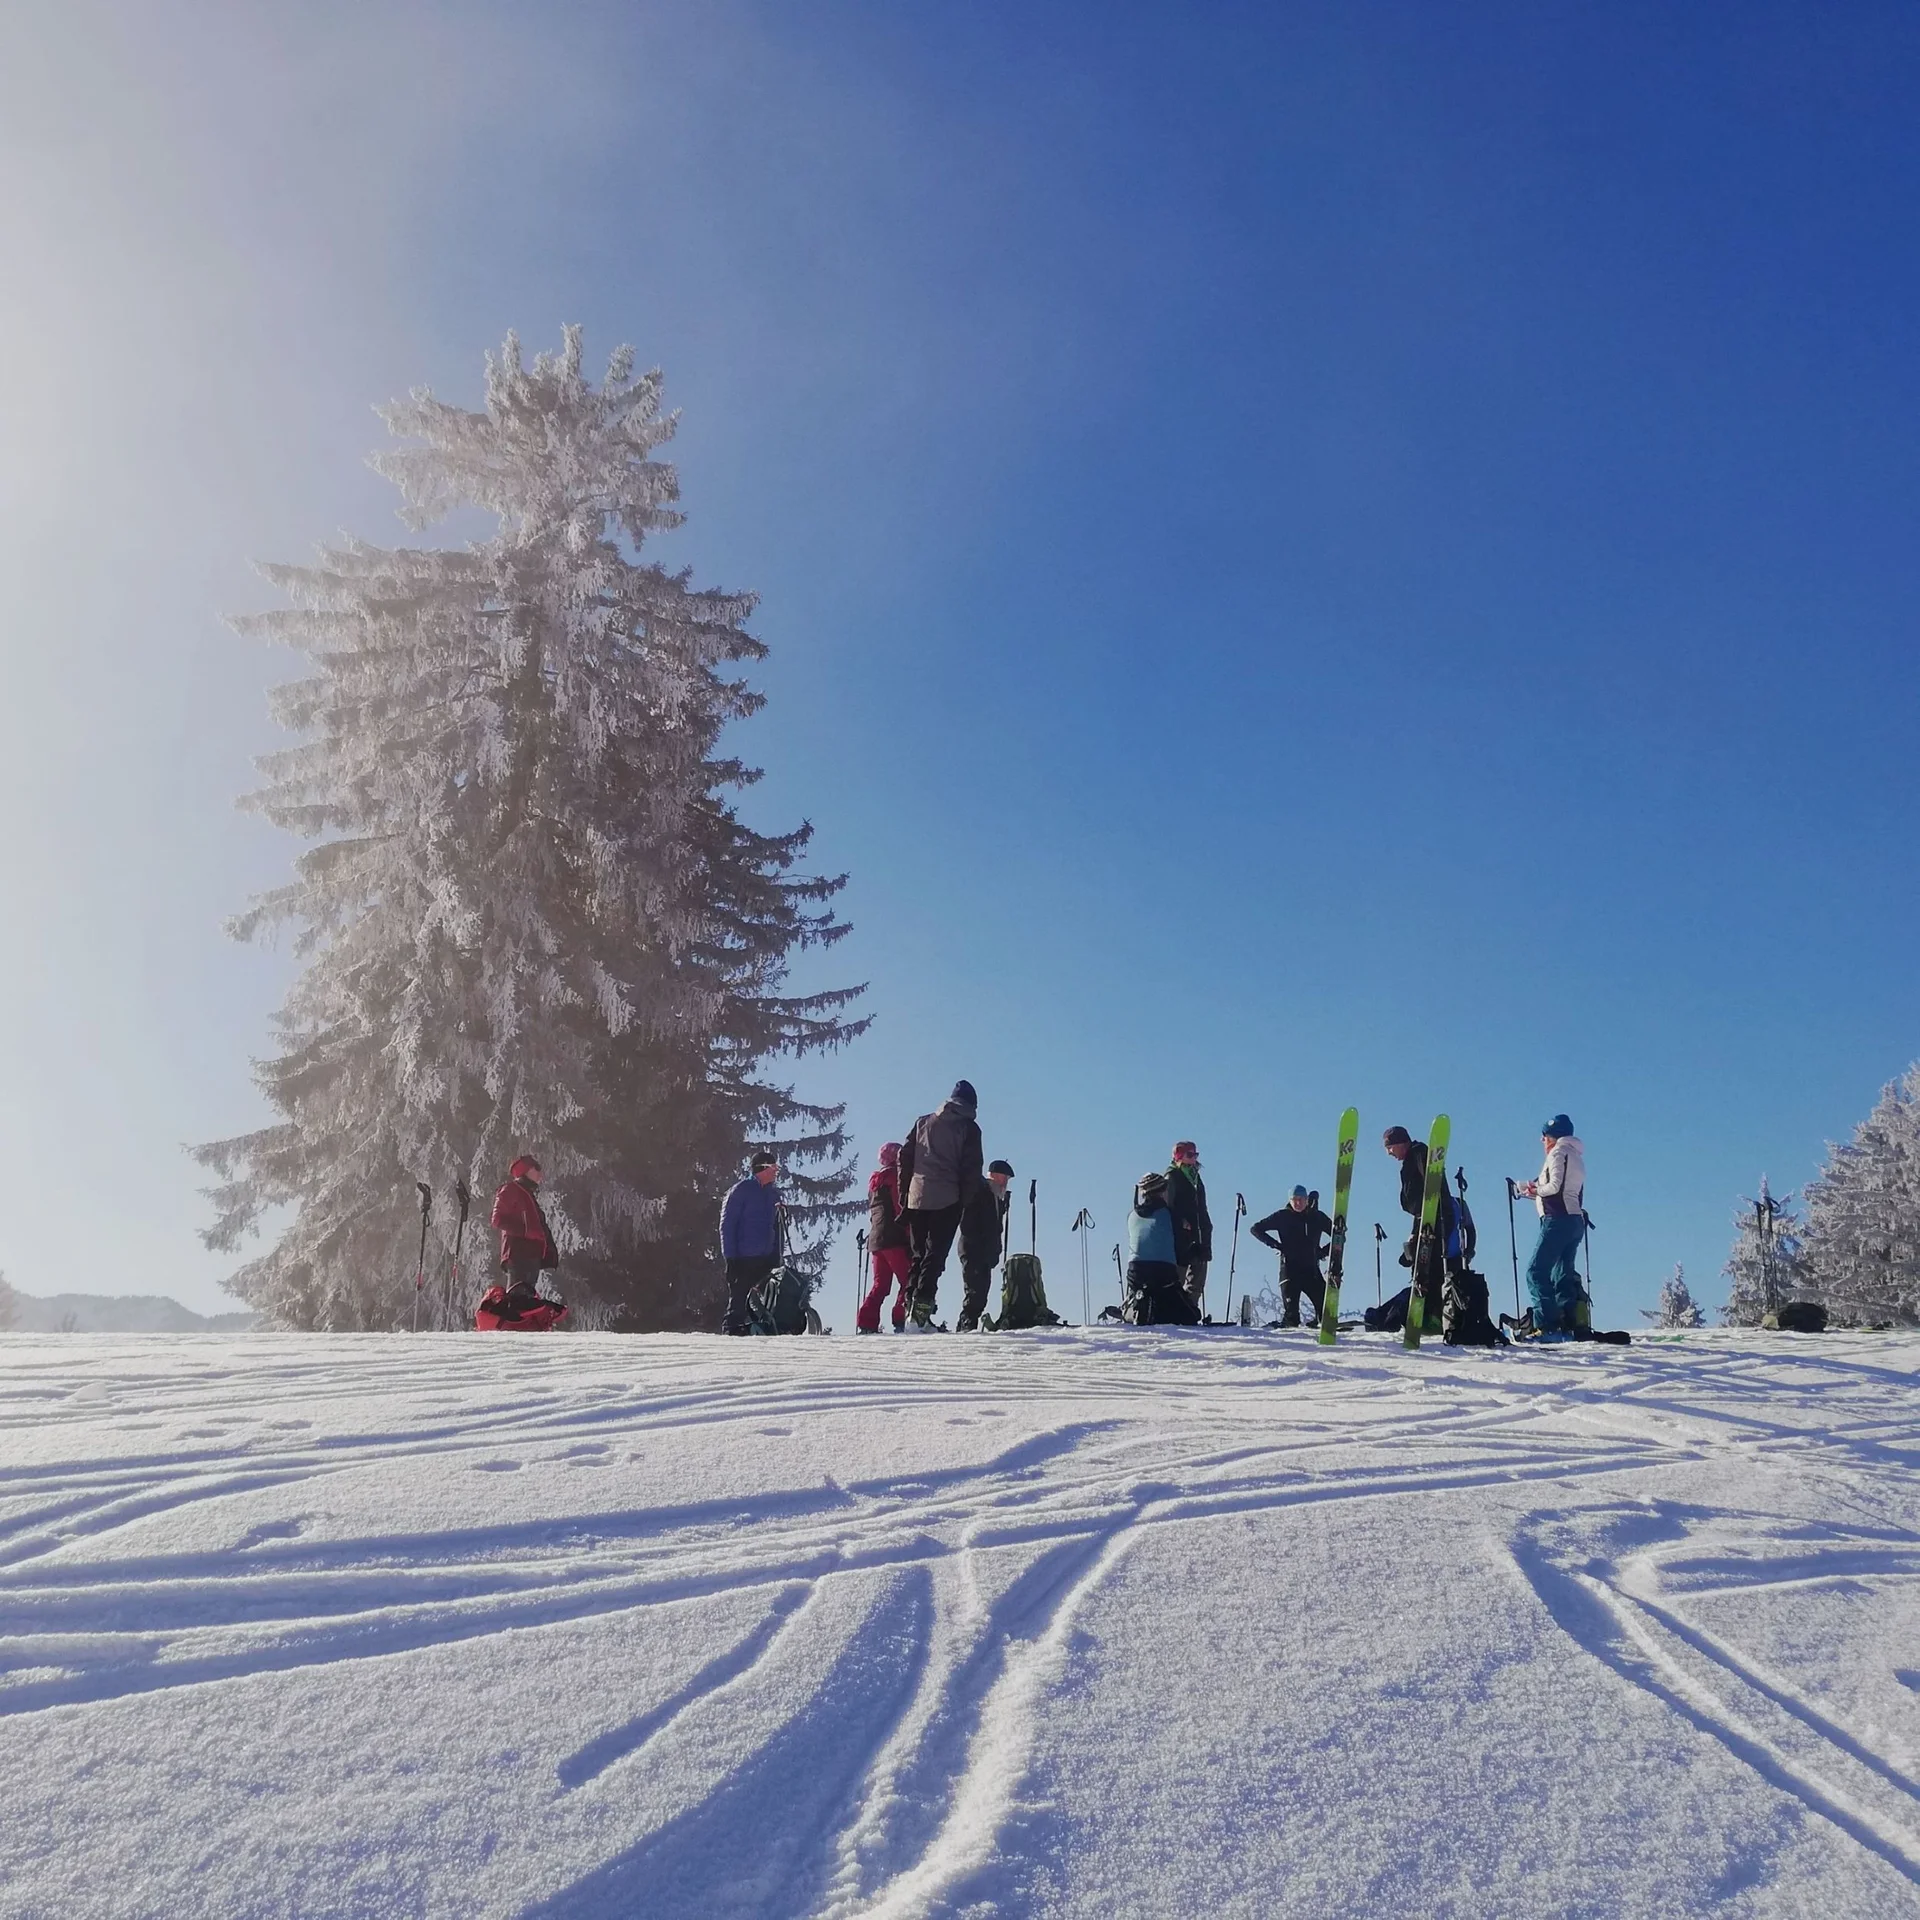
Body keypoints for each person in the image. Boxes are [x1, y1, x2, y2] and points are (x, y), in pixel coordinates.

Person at [896, 1080, 985, 1328]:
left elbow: (904, 1158)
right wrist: (964, 1200)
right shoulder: (969, 1128)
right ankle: (920, 1314)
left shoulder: (922, 1122)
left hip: (917, 1196)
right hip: (947, 1198)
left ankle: (909, 1310)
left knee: (917, 1256)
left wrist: (906, 1193)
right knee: (934, 1257)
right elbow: (971, 1167)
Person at [1516, 1114, 1587, 1336]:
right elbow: (1565, 1189)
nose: (1542, 1141)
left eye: (1544, 1136)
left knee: (1536, 1271)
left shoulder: (1558, 1153)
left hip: (1557, 1220)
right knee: (1562, 1273)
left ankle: (1547, 1325)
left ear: (1553, 1137)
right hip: (1574, 1220)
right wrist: (1531, 1190)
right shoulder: (1575, 1155)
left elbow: (1554, 1187)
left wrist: (1535, 1190)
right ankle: (1568, 1323)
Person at [1381, 1126, 1449, 1325]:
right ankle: (1425, 1315)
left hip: (1435, 1217)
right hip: (1423, 1218)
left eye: (1390, 1147)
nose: (1389, 1153)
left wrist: (1434, 1209)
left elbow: (1432, 1182)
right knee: (1421, 1266)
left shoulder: (1419, 1153)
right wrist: (1414, 1232)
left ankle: (1431, 1316)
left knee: (1430, 1269)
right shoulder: (1412, 1157)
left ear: (1401, 1143)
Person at [1123, 1171, 1200, 1324]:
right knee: (1191, 1315)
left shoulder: (1131, 1216)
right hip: (1163, 1274)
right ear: (1162, 1191)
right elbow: (1181, 1248)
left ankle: (1132, 1310)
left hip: (1135, 1273)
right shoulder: (1171, 1215)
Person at [1251, 1185, 1333, 1326]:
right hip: (1290, 1269)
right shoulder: (1283, 1216)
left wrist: (1322, 1252)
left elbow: (1338, 1236)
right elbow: (1256, 1229)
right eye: (1294, 1200)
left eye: (1301, 1199)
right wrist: (1276, 1245)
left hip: (1311, 1270)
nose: (1298, 1203)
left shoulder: (1316, 1217)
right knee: (1291, 1317)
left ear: (1307, 1200)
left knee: (1325, 1311)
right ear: (1290, 1200)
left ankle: (1319, 1324)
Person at [719, 1151, 781, 1335]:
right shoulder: (741, 1190)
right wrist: (730, 1259)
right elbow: (727, 1225)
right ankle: (730, 1333)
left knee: (766, 1303)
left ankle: (761, 1335)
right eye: (773, 1167)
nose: (776, 1171)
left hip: (767, 1258)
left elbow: (776, 1227)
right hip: (744, 1257)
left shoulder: (772, 1195)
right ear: (762, 1168)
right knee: (739, 1301)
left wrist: (777, 1255)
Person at [490, 1154, 561, 1316]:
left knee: (525, 1300)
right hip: (518, 1254)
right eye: (537, 1169)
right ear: (526, 1171)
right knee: (517, 1299)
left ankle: (520, 1328)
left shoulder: (526, 1194)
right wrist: (526, 1231)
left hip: (530, 1256)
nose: (540, 1173)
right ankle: (511, 1330)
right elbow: (497, 1219)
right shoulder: (510, 1190)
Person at [956, 1158, 1015, 1332]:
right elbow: (974, 1222)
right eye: (1005, 1177)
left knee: (981, 1289)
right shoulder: (980, 1191)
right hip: (973, 1248)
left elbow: (994, 1227)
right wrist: (982, 1244)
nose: (1006, 1182)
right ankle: (967, 1322)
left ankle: (968, 1322)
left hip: (983, 1251)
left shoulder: (994, 1196)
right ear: (996, 1175)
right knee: (975, 1289)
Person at [857, 1143, 911, 1333]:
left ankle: (866, 1322)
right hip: (894, 1238)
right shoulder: (896, 1178)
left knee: (880, 1285)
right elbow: (899, 1208)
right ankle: (901, 1318)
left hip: (876, 1239)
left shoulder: (874, 1182)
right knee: (908, 1280)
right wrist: (910, 1234)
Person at [1166, 1141, 1214, 1302]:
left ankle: (1190, 1309)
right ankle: (1174, 1310)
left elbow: (1202, 1205)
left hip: (1201, 1231)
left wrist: (1207, 1225)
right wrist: (1181, 1222)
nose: (1194, 1158)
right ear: (1179, 1157)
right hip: (1182, 1234)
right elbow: (1169, 1205)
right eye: (1190, 1154)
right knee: (1178, 1274)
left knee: (1198, 1276)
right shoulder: (1172, 1177)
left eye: (1195, 1154)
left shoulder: (1196, 1177)